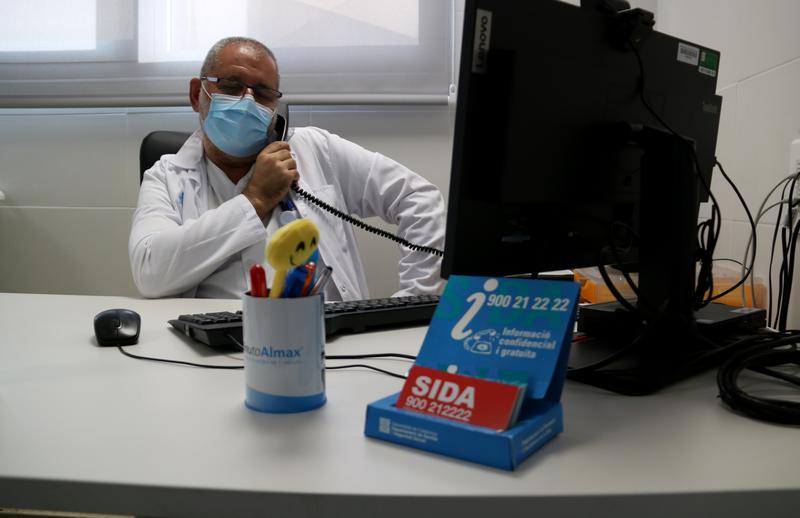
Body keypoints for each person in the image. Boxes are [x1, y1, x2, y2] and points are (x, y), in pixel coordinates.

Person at [129, 36, 445, 300]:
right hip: (209, 351)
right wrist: (254, 200)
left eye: (263, 93)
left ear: (275, 108)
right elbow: (149, 273)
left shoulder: (314, 149)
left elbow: (421, 200)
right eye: (232, 86)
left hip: (327, 342)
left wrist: (415, 298)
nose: (247, 101)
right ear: (198, 94)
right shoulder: (165, 176)